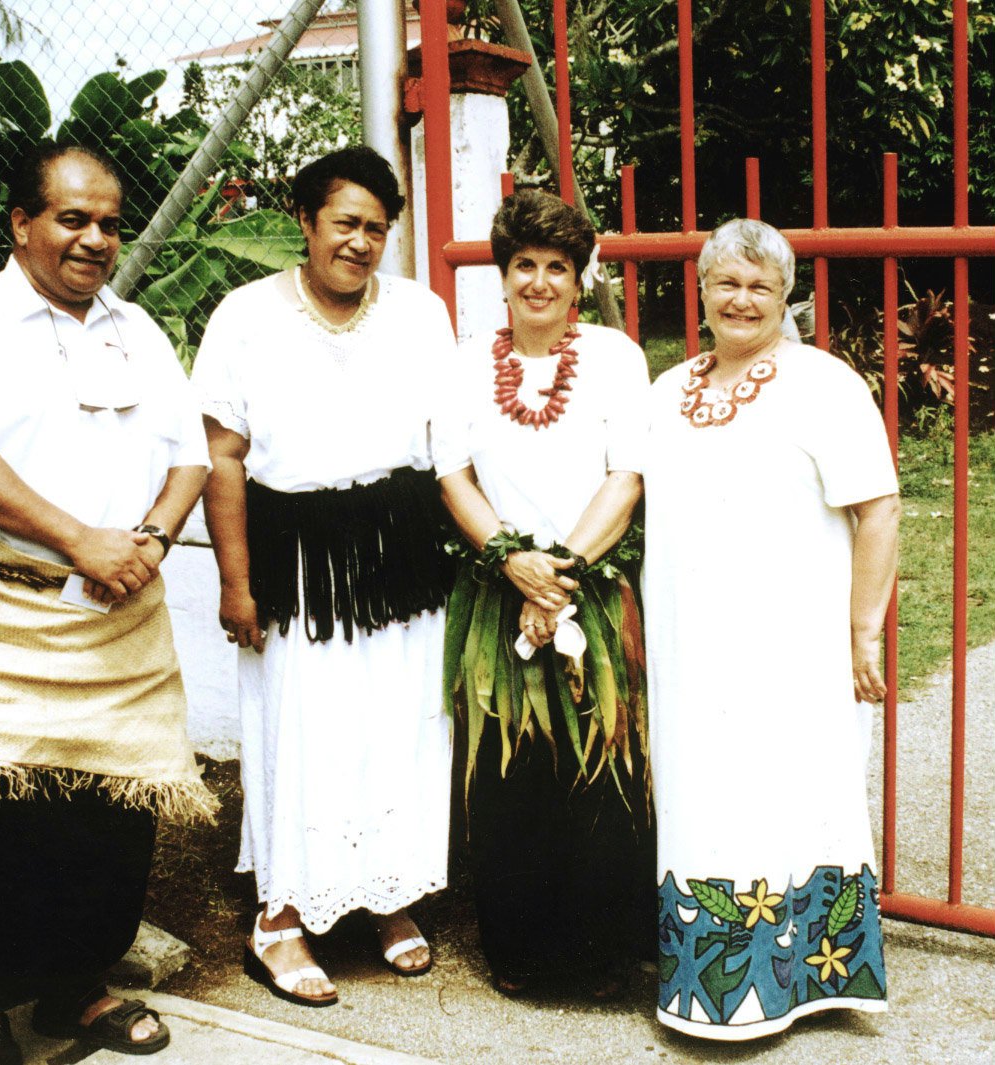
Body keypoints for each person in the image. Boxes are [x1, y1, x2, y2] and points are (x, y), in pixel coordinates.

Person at [0, 142, 216, 1064]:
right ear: (21, 224)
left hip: (120, 622)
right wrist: (80, 542)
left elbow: (188, 453)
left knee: (103, 816)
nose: (94, 239)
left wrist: (147, 541)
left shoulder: (137, 331)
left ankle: (79, 987)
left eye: (110, 222)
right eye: (73, 218)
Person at [191, 146, 456, 1007]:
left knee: (395, 723)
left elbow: (445, 444)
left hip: (399, 550)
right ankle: (283, 917)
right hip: (296, 556)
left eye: (377, 228)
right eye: (345, 223)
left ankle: (387, 898)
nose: (361, 243)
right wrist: (236, 583)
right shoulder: (243, 317)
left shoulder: (419, 313)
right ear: (304, 224)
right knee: (302, 727)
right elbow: (222, 458)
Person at [643, 218, 899, 1039]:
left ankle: (805, 984)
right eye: (726, 282)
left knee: (794, 793)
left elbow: (878, 505)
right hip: (693, 652)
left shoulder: (824, 384)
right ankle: (718, 985)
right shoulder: (665, 391)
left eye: (759, 284)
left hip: (790, 648)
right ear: (702, 291)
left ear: (784, 295)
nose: (741, 299)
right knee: (706, 797)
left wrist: (863, 628)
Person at [433, 189, 654, 995]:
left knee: (602, 760)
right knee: (510, 771)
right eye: (523, 264)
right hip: (499, 591)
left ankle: (603, 951)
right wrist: (507, 561)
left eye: (556, 267)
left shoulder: (614, 358)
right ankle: (522, 952)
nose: (538, 282)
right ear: (501, 274)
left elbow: (625, 475)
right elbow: (451, 474)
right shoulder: (463, 364)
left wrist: (555, 572)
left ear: (577, 275)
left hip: (585, 584)